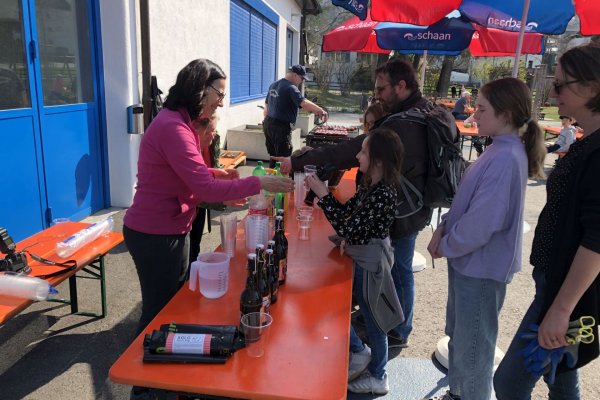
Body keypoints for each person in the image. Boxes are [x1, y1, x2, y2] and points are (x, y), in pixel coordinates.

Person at [274, 59, 446, 349]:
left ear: (401, 86)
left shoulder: (403, 123)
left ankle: (395, 329)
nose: (377, 95)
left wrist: (300, 161)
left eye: (381, 89)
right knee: (397, 269)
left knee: (396, 271)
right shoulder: (421, 110)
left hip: (403, 210)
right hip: (414, 206)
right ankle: (392, 323)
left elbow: (351, 151)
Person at [123, 58, 293, 336]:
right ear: (200, 87)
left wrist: (214, 173)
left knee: (171, 308)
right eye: (220, 94)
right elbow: (205, 189)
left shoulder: (181, 123)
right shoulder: (173, 127)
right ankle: (142, 363)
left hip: (171, 229)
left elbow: (184, 174)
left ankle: (164, 355)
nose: (221, 103)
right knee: (157, 314)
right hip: (154, 234)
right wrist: (259, 182)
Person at [426, 77, 546, 400]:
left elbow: (482, 223)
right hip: (470, 265)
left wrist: (447, 244)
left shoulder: (505, 158)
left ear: (506, 114)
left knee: (474, 351)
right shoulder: (497, 150)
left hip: (480, 270)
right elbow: (467, 204)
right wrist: (444, 227)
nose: (473, 115)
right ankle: (457, 394)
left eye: (481, 109)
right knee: (461, 339)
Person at [494, 42, 600, 400]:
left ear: (592, 88)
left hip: (566, 290)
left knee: (509, 383)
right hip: (556, 283)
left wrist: (562, 308)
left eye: (560, 85)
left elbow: (597, 239)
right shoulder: (588, 141)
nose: (553, 93)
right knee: (561, 374)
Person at [306, 127, 404, 395]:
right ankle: (360, 351)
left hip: (371, 262)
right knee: (343, 308)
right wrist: (325, 196)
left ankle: (378, 376)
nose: (358, 156)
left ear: (378, 161)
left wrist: (323, 195)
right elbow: (348, 215)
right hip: (362, 256)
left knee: (375, 321)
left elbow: (347, 227)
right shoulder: (370, 184)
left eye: (363, 152)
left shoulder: (384, 193)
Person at [263, 65, 328, 167]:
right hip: (281, 127)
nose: (302, 81)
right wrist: (320, 110)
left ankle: (271, 174)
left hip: (268, 124)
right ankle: (281, 176)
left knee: (273, 155)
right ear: (295, 75)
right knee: (284, 158)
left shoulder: (273, 85)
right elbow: (304, 103)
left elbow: (266, 107)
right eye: (302, 78)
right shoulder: (291, 88)